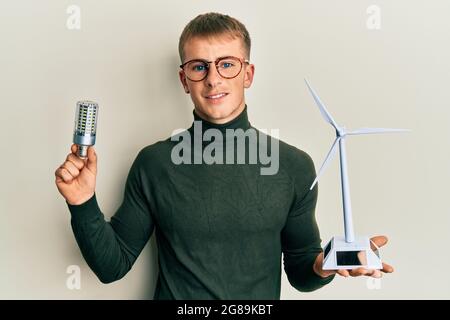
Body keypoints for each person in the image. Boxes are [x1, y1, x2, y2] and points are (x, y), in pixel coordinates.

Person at [54, 12, 393, 300]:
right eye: (199, 67)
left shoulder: (294, 166)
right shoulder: (154, 164)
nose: (213, 79)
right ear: (184, 79)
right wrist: (82, 203)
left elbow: (302, 271)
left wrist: (327, 263)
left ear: (248, 74)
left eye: (226, 64)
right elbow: (112, 266)